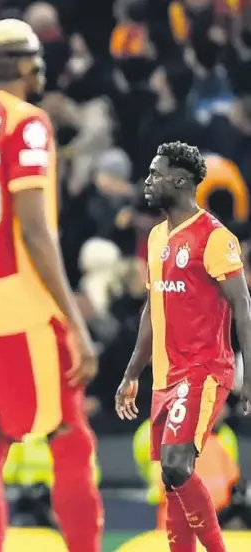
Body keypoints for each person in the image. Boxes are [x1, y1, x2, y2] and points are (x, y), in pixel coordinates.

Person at [0, 19, 103, 552]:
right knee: (70, 437)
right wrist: (74, 321)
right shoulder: (27, 123)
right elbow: (34, 229)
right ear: (25, 64)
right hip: (21, 304)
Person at [115, 141, 251, 552]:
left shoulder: (215, 237)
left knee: (177, 465)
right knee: (171, 478)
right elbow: (152, 309)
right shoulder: (157, 237)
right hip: (166, 374)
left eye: (155, 174)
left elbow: (243, 306)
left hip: (203, 370)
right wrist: (132, 373)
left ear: (180, 181)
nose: (147, 181)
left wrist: (249, 375)